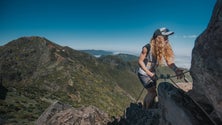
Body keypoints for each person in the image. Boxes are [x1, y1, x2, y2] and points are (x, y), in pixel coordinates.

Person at [138, 27, 183, 109]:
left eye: (167, 37)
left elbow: (169, 62)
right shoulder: (147, 48)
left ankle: (148, 106)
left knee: (152, 92)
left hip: (152, 74)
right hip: (144, 74)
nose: (167, 39)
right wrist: (150, 73)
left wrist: (176, 70)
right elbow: (140, 62)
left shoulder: (163, 48)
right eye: (165, 37)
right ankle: (146, 110)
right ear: (159, 38)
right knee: (153, 93)